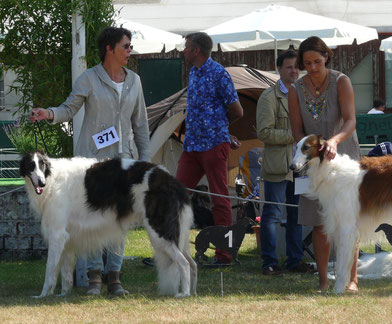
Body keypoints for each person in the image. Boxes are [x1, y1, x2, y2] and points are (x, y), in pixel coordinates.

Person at [29, 27, 150, 296]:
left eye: (130, 46)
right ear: (109, 48)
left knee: (121, 217)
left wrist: (145, 162)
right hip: (92, 164)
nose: (130, 50)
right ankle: (95, 276)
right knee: (93, 217)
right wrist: (47, 113)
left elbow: (140, 124)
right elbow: (68, 108)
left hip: (124, 162)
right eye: (126, 46)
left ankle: (115, 277)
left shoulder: (135, 82)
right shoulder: (89, 78)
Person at [288, 36, 361, 292]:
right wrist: (311, 149)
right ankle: (322, 281)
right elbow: (297, 131)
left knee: (347, 220)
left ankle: (352, 279)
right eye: (307, 63)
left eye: (317, 61)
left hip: (343, 153)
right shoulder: (295, 89)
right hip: (310, 161)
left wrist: (333, 141)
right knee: (318, 222)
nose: (313, 67)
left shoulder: (342, 81)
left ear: (326, 57)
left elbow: (351, 121)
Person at [177, 32, 243, 266]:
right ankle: (174, 252)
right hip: (191, 145)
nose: (182, 50)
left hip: (214, 145)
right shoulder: (194, 72)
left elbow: (238, 111)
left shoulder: (218, 74)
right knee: (177, 195)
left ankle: (224, 255)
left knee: (219, 198)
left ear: (196, 50)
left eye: (186, 47)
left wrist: (220, 128)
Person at [256, 50, 311, 275]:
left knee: (297, 214)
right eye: (289, 67)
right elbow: (264, 133)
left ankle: (294, 260)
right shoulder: (268, 97)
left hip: (302, 168)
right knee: (272, 214)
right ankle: (269, 262)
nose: (294, 71)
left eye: (297, 67)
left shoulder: (306, 96)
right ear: (279, 69)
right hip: (278, 167)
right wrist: (296, 134)